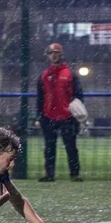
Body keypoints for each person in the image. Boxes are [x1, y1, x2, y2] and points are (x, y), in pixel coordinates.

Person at [36, 42, 84, 182]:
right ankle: (50, 174)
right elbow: (40, 98)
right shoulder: (44, 76)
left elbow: (78, 95)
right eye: (51, 53)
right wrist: (40, 115)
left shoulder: (69, 74)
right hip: (49, 115)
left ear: (61, 55)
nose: (53, 55)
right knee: (49, 147)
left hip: (67, 117)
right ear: (48, 56)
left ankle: (74, 174)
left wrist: (75, 110)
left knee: (71, 147)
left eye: (56, 53)